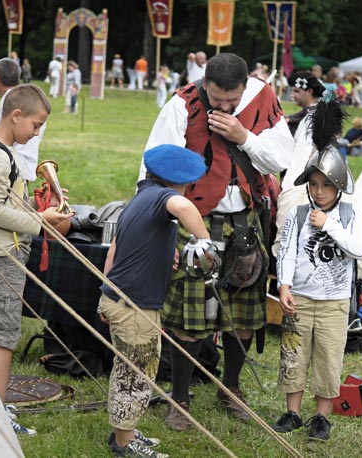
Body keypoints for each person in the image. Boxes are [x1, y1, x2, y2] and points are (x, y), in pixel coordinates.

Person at [141, 52, 293, 430]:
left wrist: (244, 137)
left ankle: (231, 387)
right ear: (204, 82)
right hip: (194, 219)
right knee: (190, 314)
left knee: (244, 309)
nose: (224, 107)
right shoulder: (181, 106)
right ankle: (180, 397)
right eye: (217, 99)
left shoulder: (262, 99)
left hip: (245, 218)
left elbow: (282, 158)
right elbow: (153, 167)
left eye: (232, 101)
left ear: (244, 86)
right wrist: (159, 227)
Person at [0, 84, 73, 436]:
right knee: (4, 334)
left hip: (8, 250)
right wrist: (40, 221)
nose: (37, 132)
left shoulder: (7, 153)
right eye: (35, 124)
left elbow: (8, 206)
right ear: (16, 115)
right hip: (4, 255)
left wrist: (38, 208)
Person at [100, 144, 212, 458]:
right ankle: (124, 445)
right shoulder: (164, 197)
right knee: (136, 374)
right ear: (181, 182)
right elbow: (185, 208)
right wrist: (204, 242)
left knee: (131, 369)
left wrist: (104, 294)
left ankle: (127, 432)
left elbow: (115, 250)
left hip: (118, 298)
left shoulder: (140, 198)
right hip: (134, 307)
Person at [271, 101, 362, 441]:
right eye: (313, 185)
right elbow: (287, 251)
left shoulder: (354, 215)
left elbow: (358, 248)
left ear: (338, 185)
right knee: (294, 356)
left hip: (334, 302)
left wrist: (330, 226)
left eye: (325, 185)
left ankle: (321, 417)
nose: (318, 192)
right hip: (300, 298)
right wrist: (283, 285)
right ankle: (293, 412)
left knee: (328, 359)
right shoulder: (299, 212)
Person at [274, 71, 326, 255]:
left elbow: (318, 152)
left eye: (296, 91)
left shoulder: (321, 115)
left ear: (309, 91)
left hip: (304, 187)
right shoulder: (310, 114)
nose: (292, 95)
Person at [0, 58, 46, 182]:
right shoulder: (27, 100)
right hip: (15, 168)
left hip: (9, 171)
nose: (36, 132)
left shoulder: (10, 98)